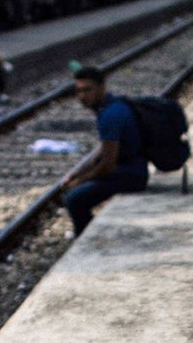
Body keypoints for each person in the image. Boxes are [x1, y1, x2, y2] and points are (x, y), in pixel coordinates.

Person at [60, 65, 151, 235]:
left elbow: (107, 165)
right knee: (76, 191)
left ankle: (86, 237)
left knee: (74, 199)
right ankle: (88, 233)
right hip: (133, 170)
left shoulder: (110, 116)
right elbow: (103, 151)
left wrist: (80, 181)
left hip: (130, 176)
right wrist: (78, 173)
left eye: (87, 90)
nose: (82, 96)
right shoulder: (112, 106)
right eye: (78, 91)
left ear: (102, 87)